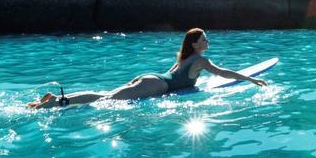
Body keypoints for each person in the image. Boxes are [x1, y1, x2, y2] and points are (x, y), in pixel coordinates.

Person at [27, 28, 267, 108]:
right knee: (106, 101)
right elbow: (223, 73)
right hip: (157, 85)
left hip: (150, 78)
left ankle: (58, 100)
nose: (208, 42)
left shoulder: (185, 56)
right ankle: (53, 103)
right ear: (195, 43)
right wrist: (249, 79)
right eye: (204, 39)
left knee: (105, 95)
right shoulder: (201, 60)